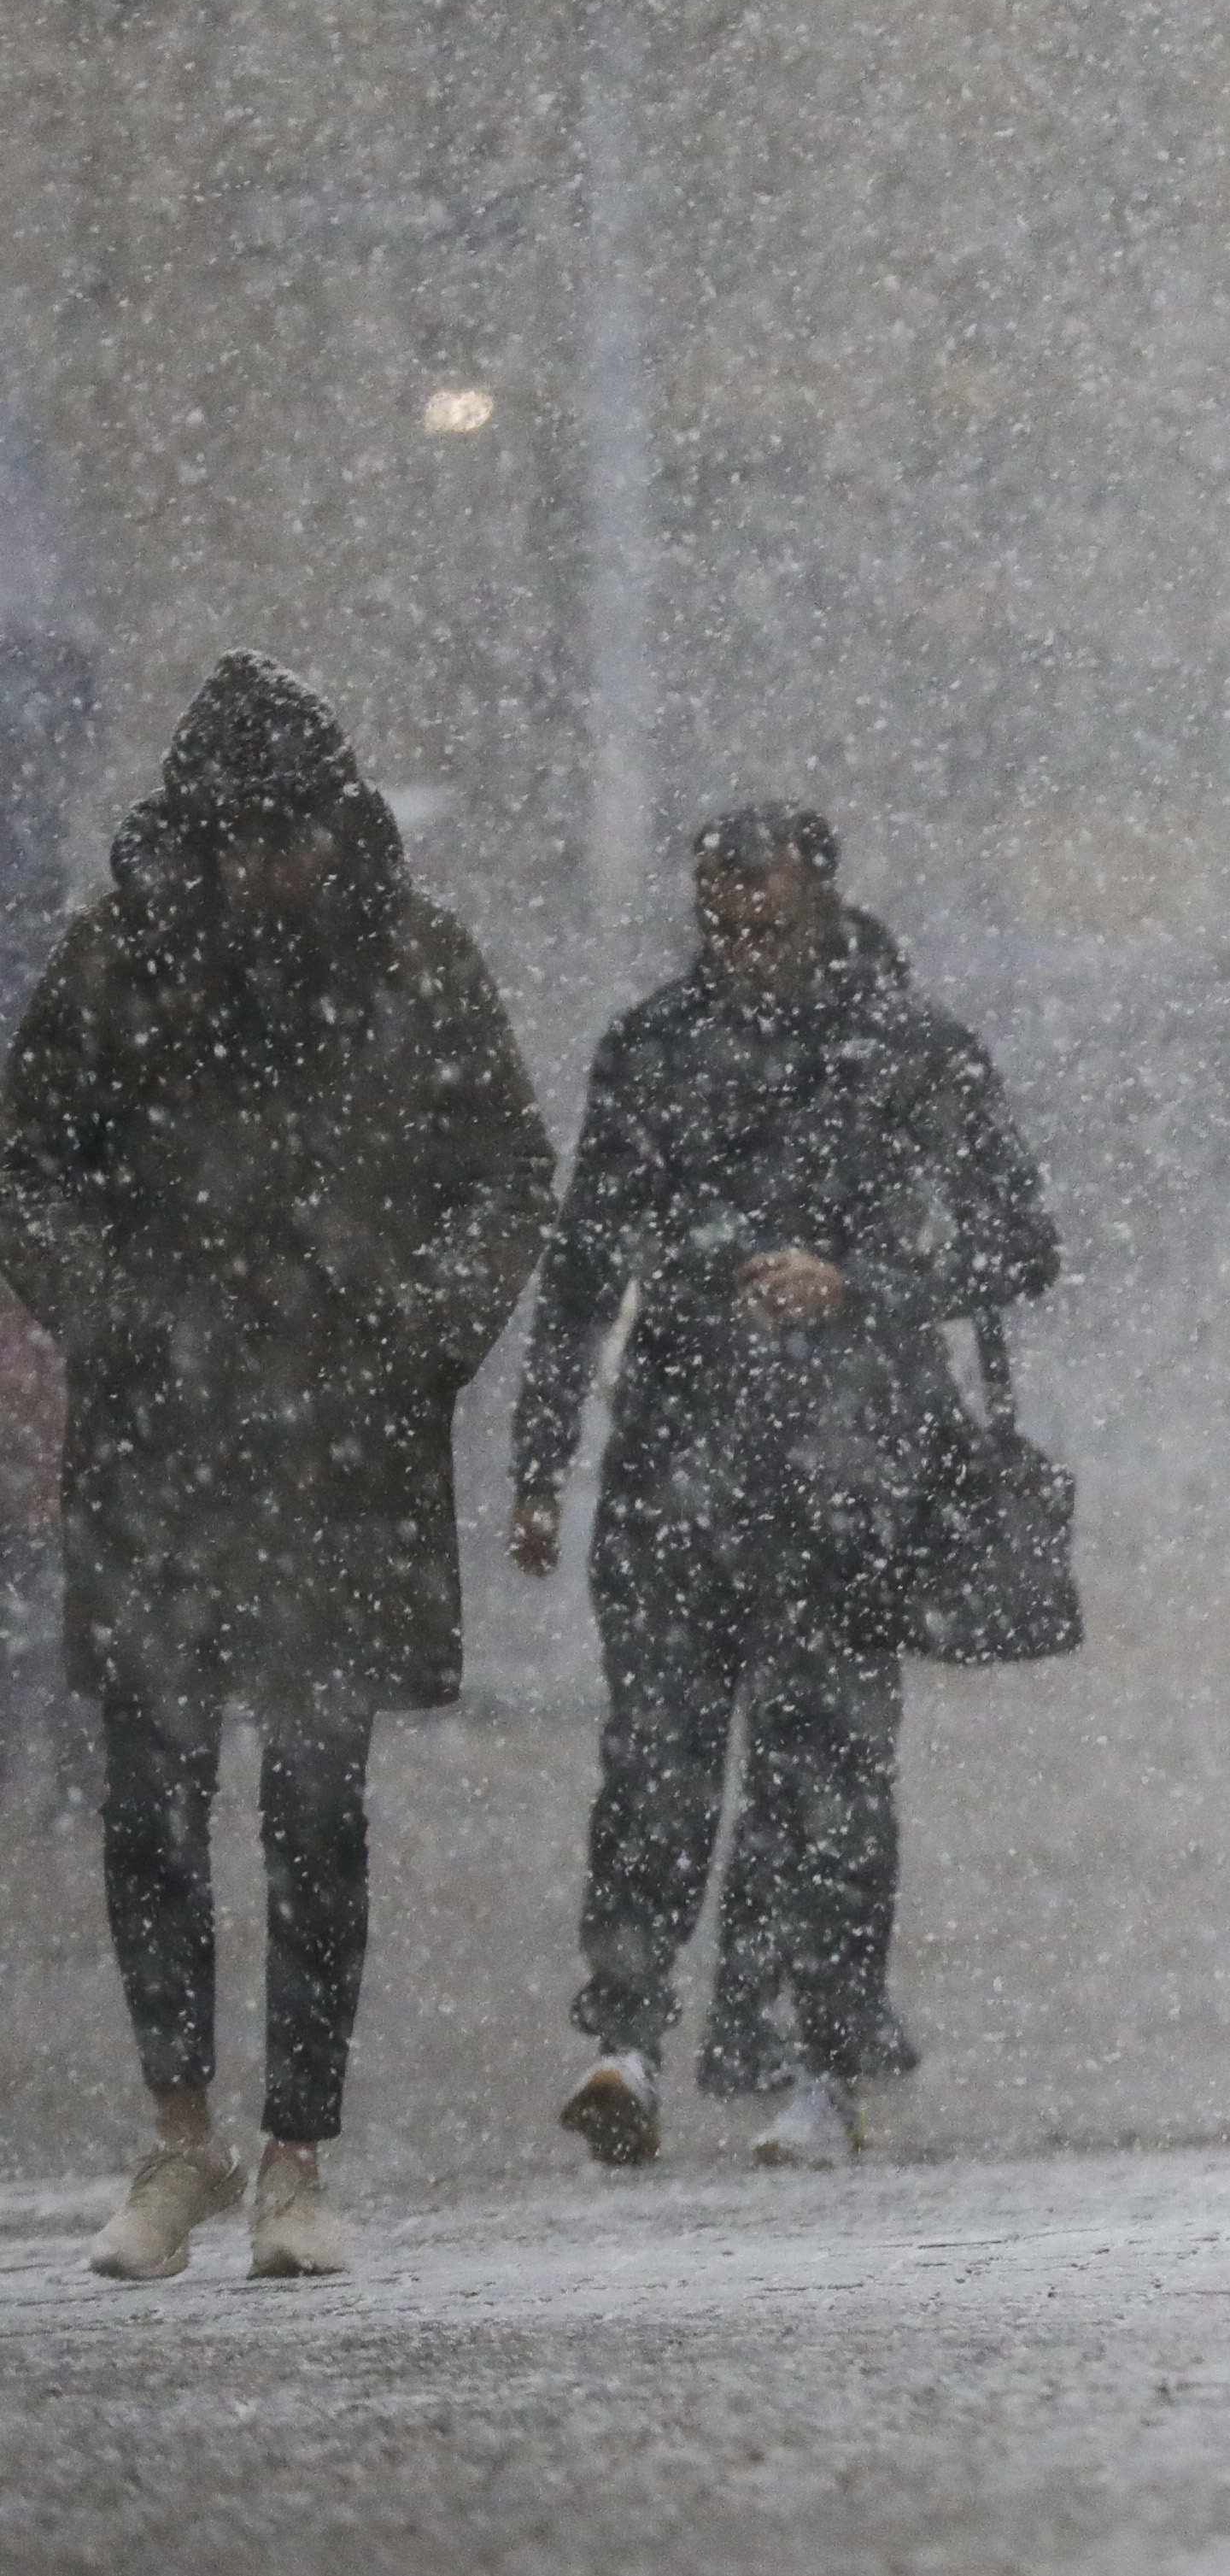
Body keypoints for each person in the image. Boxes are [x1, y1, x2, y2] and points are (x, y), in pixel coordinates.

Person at [0, 654, 553, 2283]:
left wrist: (416, 1329)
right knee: (154, 1803)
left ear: (337, 826)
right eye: (239, 837)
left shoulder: (417, 970)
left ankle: (298, 2154)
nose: (267, 868)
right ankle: (181, 2140)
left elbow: (507, 1167)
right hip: (161, 1449)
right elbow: (28, 1168)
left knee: (319, 1802)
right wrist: (112, 1323)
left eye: (289, 834)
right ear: (197, 833)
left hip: (345, 1451)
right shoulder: (114, 971)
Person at [514, 805, 1057, 2169]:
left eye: (761, 908)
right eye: (719, 913)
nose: (740, 935)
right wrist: (538, 1462)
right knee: (654, 1768)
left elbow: (1016, 1237)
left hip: (847, 1473)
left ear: (816, 896)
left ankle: (826, 2060)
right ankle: (625, 2037)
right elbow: (584, 1262)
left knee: (830, 1779)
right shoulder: (652, 1048)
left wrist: (859, 1280)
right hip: (676, 1468)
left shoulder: (910, 1046)